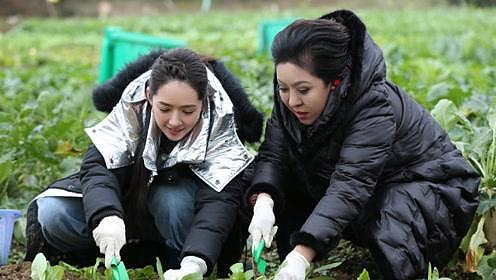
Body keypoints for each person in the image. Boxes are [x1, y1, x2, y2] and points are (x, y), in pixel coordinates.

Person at [245, 9, 480, 280]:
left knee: (392, 217)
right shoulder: (291, 101)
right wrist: (264, 201)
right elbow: (273, 157)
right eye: (282, 88)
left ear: (333, 82)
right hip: (372, 186)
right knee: (285, 179)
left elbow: (350, 186)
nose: (292, 101)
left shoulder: (373, 106)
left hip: (433, 188)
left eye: (303, 90)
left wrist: (302, 256)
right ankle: (290, 255)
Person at [25, 48, 263, 279]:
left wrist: (196, 261)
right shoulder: (130, 107)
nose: (175, 121)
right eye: (165, 108)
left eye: (188, 111)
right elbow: (98, 168)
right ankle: (102, 252)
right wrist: (106, 215)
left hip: (176, 218)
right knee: (53, 213)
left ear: (204, 101)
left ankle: (177, 261)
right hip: (127, 204)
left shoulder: (221, 125)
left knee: (173, 202)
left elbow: (218, 204)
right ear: (149, 95)